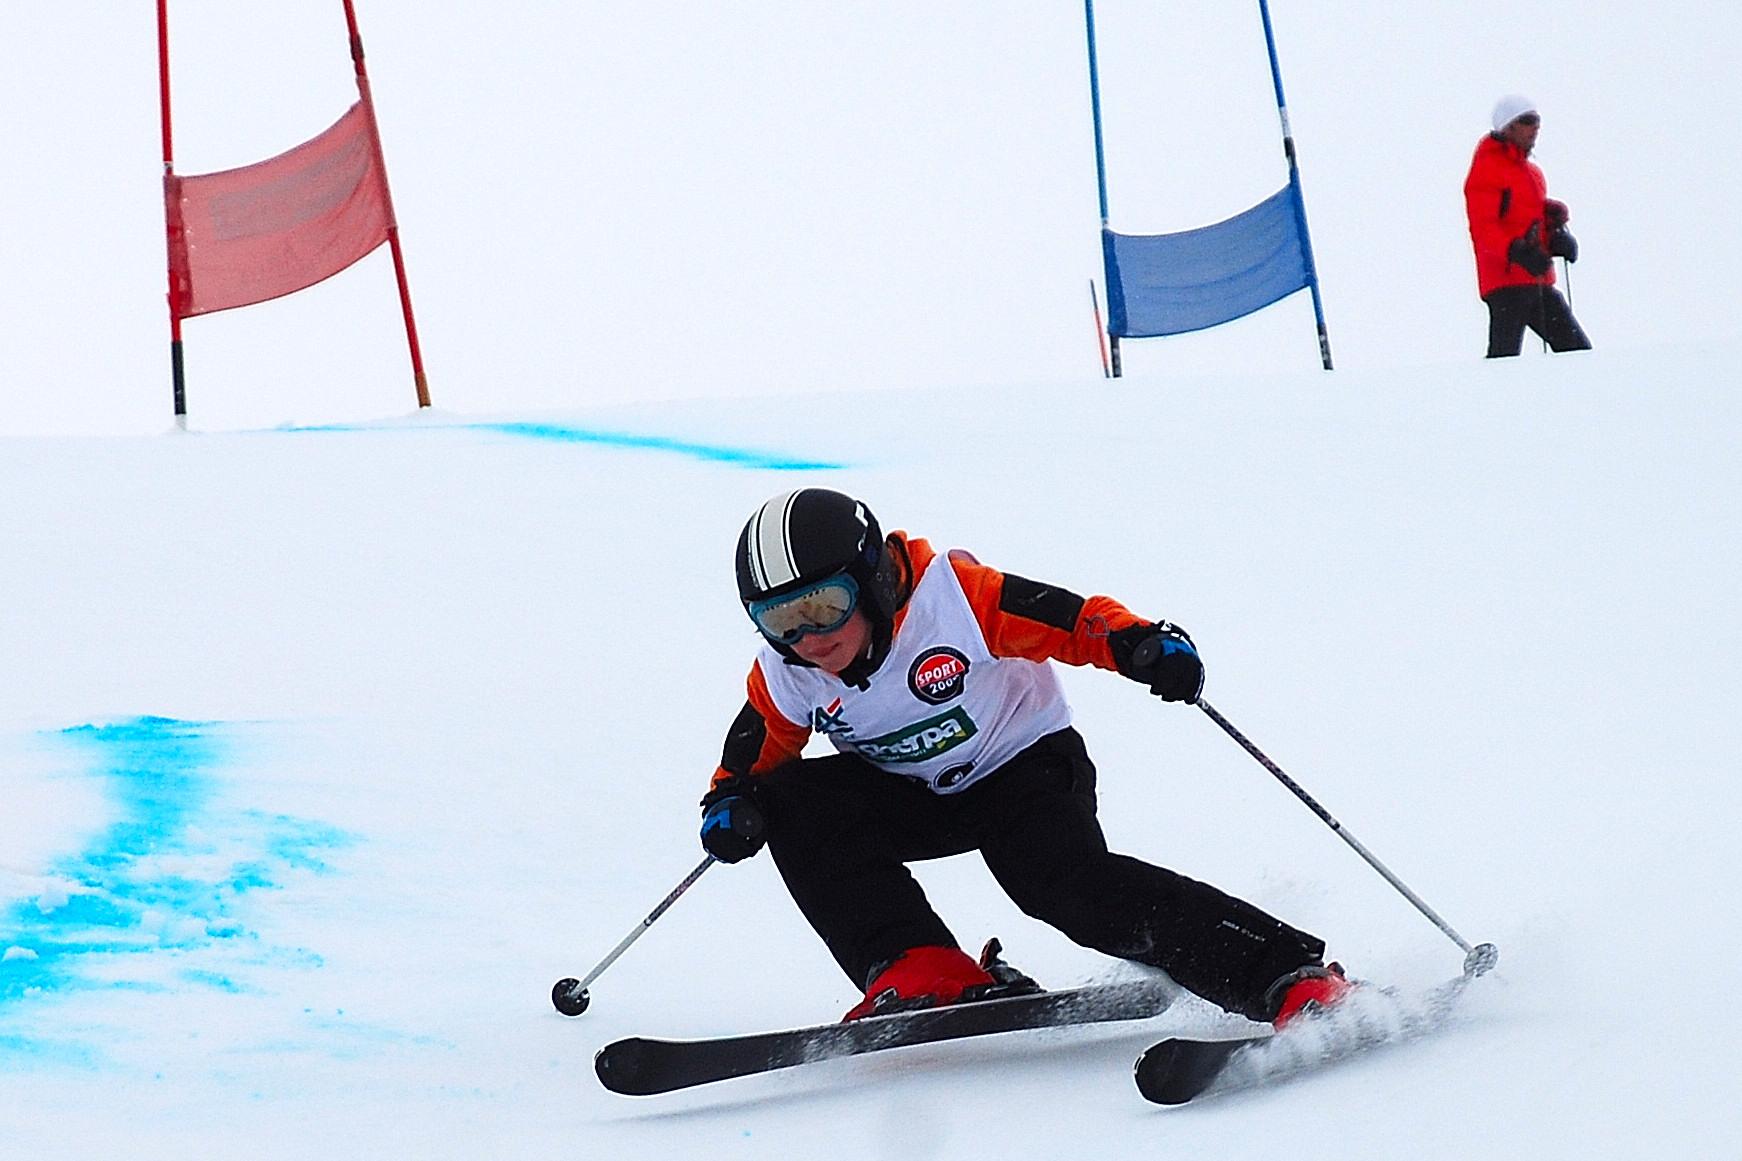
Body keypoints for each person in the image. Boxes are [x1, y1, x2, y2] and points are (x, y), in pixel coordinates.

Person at [698, 487, 1349, 1027]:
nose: (808, 637)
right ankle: (920, 964)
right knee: (786, 801)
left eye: (825, 606)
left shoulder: (955, 600)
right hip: (910, 793)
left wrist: (1139, 644)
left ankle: (1286, 976)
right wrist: (730, 804)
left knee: (1062, 887)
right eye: (780, 620)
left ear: (870, 580)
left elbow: (1071, 621)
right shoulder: (788, 673)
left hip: (1024, 768)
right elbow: (753, 757)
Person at [1463, 94, 1591, 358]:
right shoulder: (1487, 169)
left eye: (1537, 120)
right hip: (1505, 282)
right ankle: (1492, 387)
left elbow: (1527, 219)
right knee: (1505, 359)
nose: (1536, 127)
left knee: (1578, 353)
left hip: (1536, 278)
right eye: (1528, 120)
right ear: (1508, 127)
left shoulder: (1532, 173)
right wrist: (1518, 251)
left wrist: (1555, 235)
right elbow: (1483, 229)